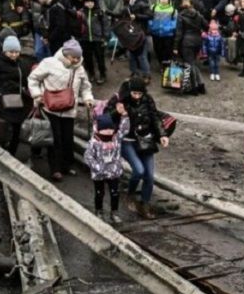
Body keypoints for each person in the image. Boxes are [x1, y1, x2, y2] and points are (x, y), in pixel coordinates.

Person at [28, 39, 93, 181]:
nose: (76, 60)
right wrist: (37, 95)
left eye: (78, 57)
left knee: (67, 139)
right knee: (55, 139)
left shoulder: (80, 68)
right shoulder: (49, 63)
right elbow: (33, 79)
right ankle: (55, 169)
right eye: (73, 57)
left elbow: (85, 87)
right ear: (66, 54)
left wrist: (88, 99)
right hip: (51, 108)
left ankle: (66, 165)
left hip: (69, 110)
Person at [106, 75, 167, 220]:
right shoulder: (119, 100)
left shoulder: (147, 99)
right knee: (138, 170)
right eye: (135, 93)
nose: (137, 96)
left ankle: (144, 204)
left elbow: (155, 117)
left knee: (149, 176)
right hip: (127, 140)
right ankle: (130, 193)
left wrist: (162, 135)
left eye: (140, 93)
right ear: (129, 91)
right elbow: (106, 119)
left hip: (145, 139)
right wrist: (117, 112)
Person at [84, 112, 127, 224]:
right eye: (105, 128)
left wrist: (125, 117)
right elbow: (88, 157)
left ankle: (114, 212)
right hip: (99, 173)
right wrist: (97, 167)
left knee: (115, 192)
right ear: (99, 129)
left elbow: (125, 129)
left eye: (110, 128)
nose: (108, 131)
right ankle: (99, 211)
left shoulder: (116, 139)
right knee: (99, 193)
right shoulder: (94, 142)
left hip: (113, 171)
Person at [79, 0, 108, 84]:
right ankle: (91, 74)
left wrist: (105, 37)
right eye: (87, 2)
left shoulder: (100, 12)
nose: (90, 4)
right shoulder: (81, 12)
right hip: (85, 39)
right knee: (88, 58)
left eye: (92, 2)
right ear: (84, 3)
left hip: (98, 39)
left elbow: (105, 25)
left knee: (100, 57)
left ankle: (102, 74)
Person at [173, 0, 206, 67]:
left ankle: (192, 77)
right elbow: (206, 26)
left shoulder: (181, 16)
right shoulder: (199, 15)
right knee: (192, 61)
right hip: (198, 40)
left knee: (189, 64)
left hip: (186, 42)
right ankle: (192, 77)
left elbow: (179, 33)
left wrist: (175, 47)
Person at [149, 0, 177, 65]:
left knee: (167, 50)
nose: (163, 0)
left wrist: (170, 28)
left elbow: (175, 20)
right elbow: (149, 18)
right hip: (156, 32)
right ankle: (161, 63)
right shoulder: (153, 7)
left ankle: (165, 65)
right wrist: (152, 26)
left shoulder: (172, 9)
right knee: (157, 49)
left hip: (168, 34)